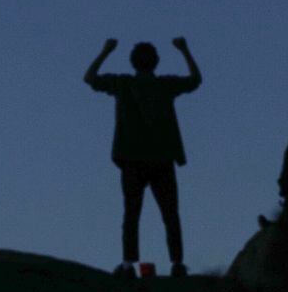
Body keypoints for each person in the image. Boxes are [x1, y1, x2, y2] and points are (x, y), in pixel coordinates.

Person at [84, 37, 202, 278]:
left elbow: (90, 78)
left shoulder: (123, 84)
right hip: (162, 158)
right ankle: (177, 264)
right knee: (170, 213)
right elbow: (195, 80)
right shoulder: (164, 85)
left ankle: (128, 264)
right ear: (156, 62)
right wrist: (185, 50)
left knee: (131, 213)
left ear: (132, 63)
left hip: (132, 159)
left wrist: (105, 50)